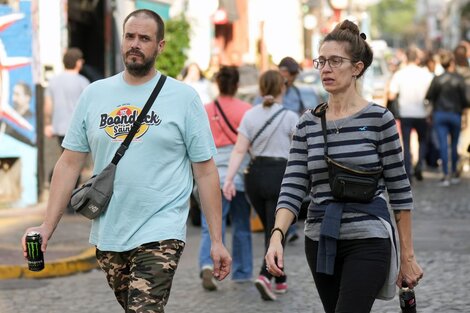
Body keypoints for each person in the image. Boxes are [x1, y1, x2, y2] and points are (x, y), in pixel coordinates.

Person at [22, 9, 231, 313]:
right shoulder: (94, 94)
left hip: (162, 231)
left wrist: (216, 240)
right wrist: (47, 226)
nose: (135, 43)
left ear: (160, 45)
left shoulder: (183, 98)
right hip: (109, 234)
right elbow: (68, 164)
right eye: (130, 36)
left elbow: (206, 171)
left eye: (144, 38)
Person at [265, 20, 423, 313]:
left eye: (335, 61)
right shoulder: (307, 123)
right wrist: (277, 235)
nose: (326, 68)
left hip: (369, 238)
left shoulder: (380, 119)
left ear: (357, 68)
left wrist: (408, 256)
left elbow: (400, 192)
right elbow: (293, 185)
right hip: (320, 239)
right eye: (321, 61)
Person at [223, 70, 299, 301]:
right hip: (280, 176)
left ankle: (281, 277)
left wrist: (228, 179)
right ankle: (265, 276)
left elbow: (239, 150)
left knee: (271, 228)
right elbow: (299, 152)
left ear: (260, 88)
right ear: (282, 88)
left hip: (254, 177)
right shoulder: (290, 116)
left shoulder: (250, 115)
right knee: (276, 229)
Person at [199, 65, 253, 291]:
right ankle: (241, 272)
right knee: (241, 225)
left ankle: (206, 264)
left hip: (212, 175)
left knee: (210, 226)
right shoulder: (247, 110)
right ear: (237, 85)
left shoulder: (205, 109)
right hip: (239, 173)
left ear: (217, 85)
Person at [388, 47, 434, 183]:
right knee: (423, 141)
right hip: (422, 113)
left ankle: (408, 172)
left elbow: (391, 95)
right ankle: (419, 165)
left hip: (405, 113)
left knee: (406, 144)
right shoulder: (426, 74)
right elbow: (431, 94)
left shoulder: (400, 74)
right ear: (418, 59)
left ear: (406, 58)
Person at [425, 50, 468, 186]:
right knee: (454, 145)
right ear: (452, 62)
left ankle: (445, 175)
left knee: (443, 145)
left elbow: (429, 97)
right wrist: (465, 117)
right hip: (455, 114)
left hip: (440, 114)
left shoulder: (437, 79)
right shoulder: (459, 79)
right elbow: (466, 100)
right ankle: (454, 172)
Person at [44, 47, 90, 145]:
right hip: (78, 129)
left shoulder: (53, 81)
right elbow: (89, 107)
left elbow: (48, 105)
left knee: (63, 157)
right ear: (77, 62)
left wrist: (48, 124)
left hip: (59, 128)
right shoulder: (83, 82)